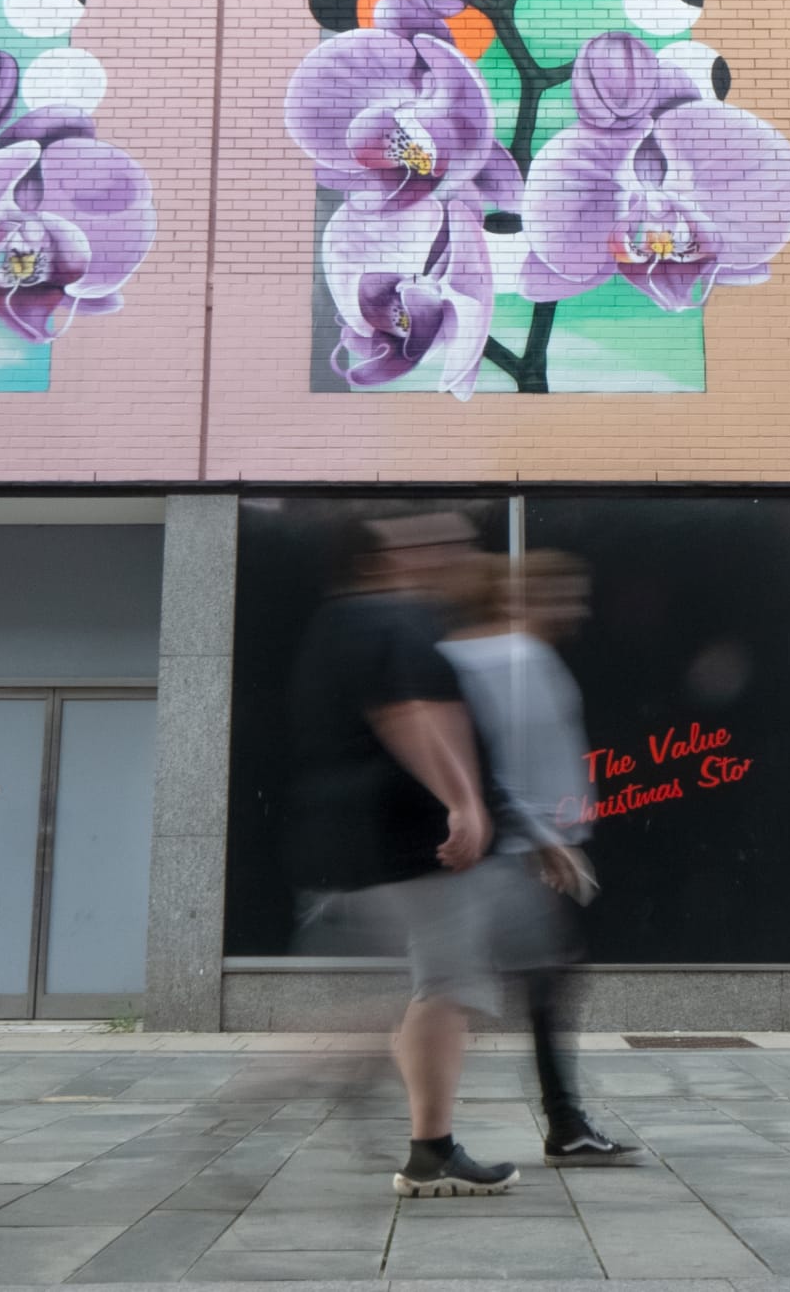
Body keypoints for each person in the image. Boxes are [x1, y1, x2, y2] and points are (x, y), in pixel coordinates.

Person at [285, 512, 516, 1198]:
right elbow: (407, 713)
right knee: (445, 988)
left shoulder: (356, 619)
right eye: (442, 543)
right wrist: (464, 801)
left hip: (369, 842)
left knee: (429, 992)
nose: (457, 554)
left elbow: (424, 712)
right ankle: (426, 1146)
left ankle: (423, 1138)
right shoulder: (393, 620)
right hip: (410, 846)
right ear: (397, 556)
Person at [438, 550, 635, 1167]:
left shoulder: (491, 656)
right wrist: (548, 839)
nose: (577, 608)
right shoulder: (517, 659)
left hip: (517, 846)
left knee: (533, 982)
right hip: (514, 852)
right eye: (564, 594)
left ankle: (564, 1121)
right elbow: (498, 762)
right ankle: (558, 1122)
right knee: (459, 989)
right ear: (525, 597)